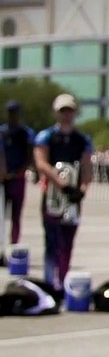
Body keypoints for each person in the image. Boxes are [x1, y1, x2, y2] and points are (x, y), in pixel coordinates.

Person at [33, 94, 93, 290]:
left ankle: (64, 280)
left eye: (69, 111)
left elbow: (86, 168)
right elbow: (41, 162)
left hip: (72, 197)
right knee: (52, 241)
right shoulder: (46, 136)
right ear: (56, 113)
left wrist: (82, 189)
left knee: (68, 241)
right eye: (62, 111)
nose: (66, 115)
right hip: (53, 195)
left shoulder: (82, 140)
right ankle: (50, 283)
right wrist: (60, 183)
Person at [1, 100, 35, 257]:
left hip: (18, 178)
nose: (12, 116)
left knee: (16, 215)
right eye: (10, 112)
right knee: (1, 215)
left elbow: (30, 156)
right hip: (2, 179)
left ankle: (14, 246)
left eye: (15, 112)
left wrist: (18, 172)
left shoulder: (26, 133)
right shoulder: (2, 131)